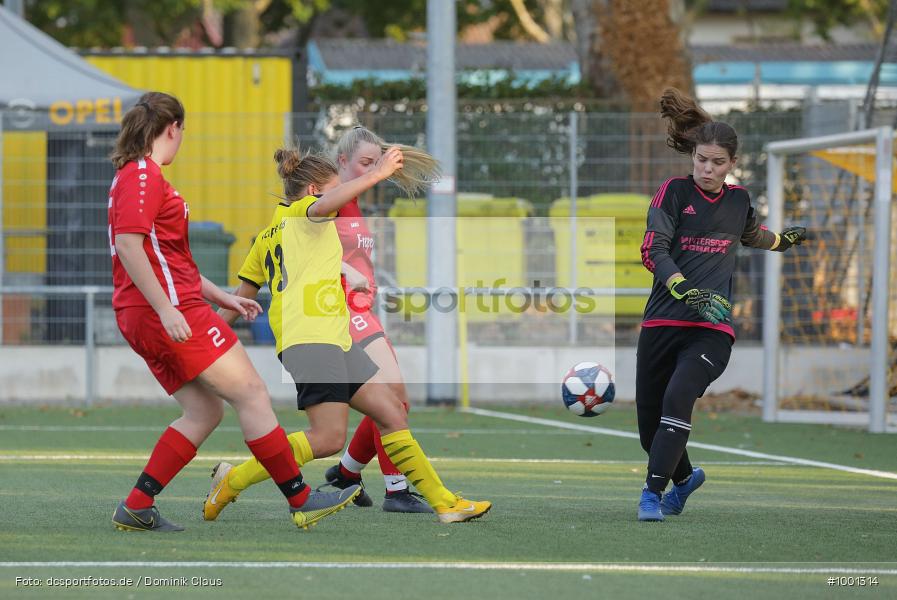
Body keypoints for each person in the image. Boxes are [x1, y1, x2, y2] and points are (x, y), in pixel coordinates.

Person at [108, 92, 359, 533]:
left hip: (151, 310)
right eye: (183, 131)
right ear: (174, 129)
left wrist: (222, 298)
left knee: (204, 412)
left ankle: (137, 503)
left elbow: (168, 258)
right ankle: (301, 499)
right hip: (164, 310)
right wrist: (168, 309)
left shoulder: (139, 176)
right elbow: (130, 246)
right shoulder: (143, 175)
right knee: (251, 393)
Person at [202, 143, 491, 524]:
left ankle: (445, 503)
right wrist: (378, 173)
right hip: (310, 340)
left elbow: (237, 302)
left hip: (334, 336)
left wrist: (204, 338)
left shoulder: (272, 234)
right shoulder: (306, 212)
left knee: (390, 412)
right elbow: (319, 210)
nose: (340, 201)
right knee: (327, 439)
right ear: (312, 192)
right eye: (334, 190)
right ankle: (233, 479)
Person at [636, 88, 807, 522]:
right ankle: (685, 480)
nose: (707, 169)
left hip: (712, 329)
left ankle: (650, 496)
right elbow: (652, 250)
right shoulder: (673, 193)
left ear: (732, 164)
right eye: (701, 160)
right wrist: (682, 288)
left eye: (717, 162)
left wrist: (780, 242)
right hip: (662, 322)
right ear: (692, 156)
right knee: (648, 431)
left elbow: (751, 234)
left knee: (678, 397)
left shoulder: (739, 200)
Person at [320, 126, 440, 513]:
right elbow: (301, 243)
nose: (375, 170)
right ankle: (396, 490)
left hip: (363, 311)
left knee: (390, 402)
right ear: (342, 162)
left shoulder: (354, 202)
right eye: (366, 163)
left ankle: (348, 472)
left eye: (377, 162)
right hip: (342, 312)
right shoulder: (331, 195)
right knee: (392, 400)